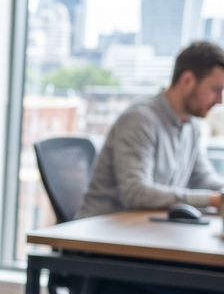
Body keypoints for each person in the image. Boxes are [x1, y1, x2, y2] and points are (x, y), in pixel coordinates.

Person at [79, 40, 224, 220]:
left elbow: (202, 178)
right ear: (187, 81)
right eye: (215, 90)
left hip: (148, 229)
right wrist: (212, 200)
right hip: (103, 233)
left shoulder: (191, 126)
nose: (219, 100)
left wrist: (222, 193)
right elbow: (136, 193)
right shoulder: (139, 121)